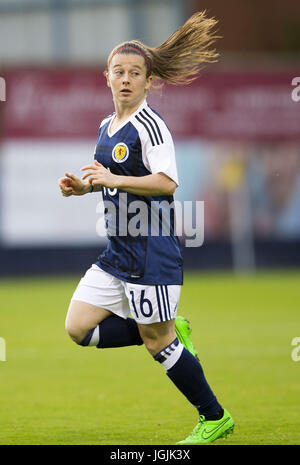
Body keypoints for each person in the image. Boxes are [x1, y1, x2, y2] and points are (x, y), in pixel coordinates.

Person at [58, 11, 234, 444]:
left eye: (135, 73)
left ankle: (214, 417)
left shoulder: (151, 127)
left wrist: (114, 178)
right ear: (107, 77)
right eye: (118, 71)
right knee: (78, 328)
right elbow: (109, 179)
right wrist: (82, 188)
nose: (125, 79)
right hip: (117, 254)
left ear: (148, 81)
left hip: (151, 253)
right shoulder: (106, 126)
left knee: (161, 346)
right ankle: (166, 326)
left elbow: (167, 182)